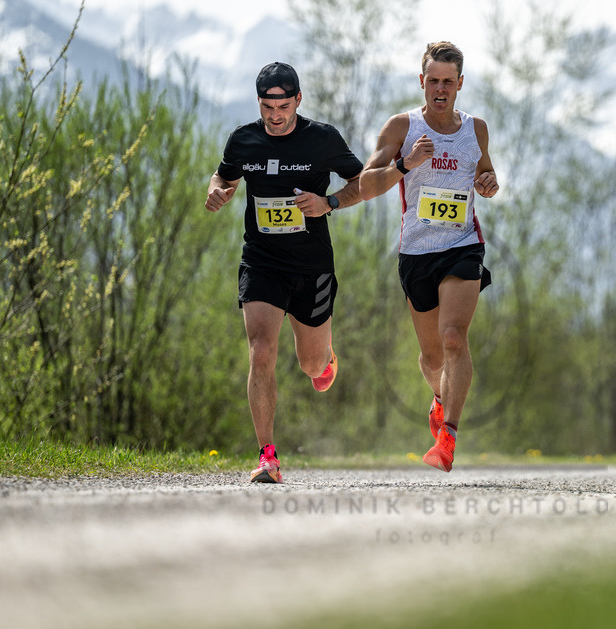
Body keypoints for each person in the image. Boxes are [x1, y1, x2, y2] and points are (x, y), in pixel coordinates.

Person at [205, 62, 363, 484]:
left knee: (311, 366)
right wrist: (216, 192)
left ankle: (325, 356)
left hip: (311, 265)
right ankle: (267, 457)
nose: (275, 114)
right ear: (259, 103)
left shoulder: (322, 139)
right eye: (267, 106)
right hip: (262, 260)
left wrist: (328, 202)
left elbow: (362, 180)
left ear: (298, 100)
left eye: (283, 105)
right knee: (261, 350)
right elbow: (224, 173)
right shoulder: (244, 139)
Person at [359, 41, 498, 472]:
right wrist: (405, 164)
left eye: (448, 82)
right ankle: (439, 399)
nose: (440, 89)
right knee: (433, 357)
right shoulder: (401, 128)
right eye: (432, 81)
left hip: (462, 245)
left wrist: (489, 184)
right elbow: (365, 184)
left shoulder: (475, 129)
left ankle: (448, 438)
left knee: (455, 337)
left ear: (460, 84)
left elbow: (484, 174)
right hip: (416, 251)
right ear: (422, 82)